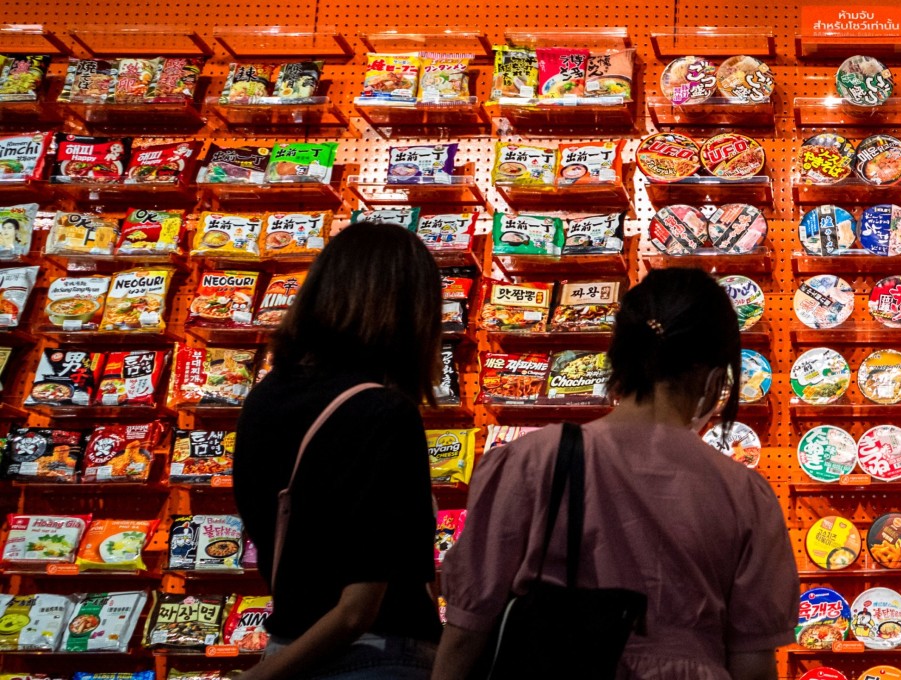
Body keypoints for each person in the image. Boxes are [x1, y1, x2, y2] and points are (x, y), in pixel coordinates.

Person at [433, 268, 799, 680]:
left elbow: (467, 628)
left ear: (620, 355)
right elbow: (753, 664)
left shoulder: (532, 461)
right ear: (715, 377)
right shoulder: (746, 496)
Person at [234, 221, 443, 679]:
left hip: (288, 643)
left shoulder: (266, 396)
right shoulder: (383, 413)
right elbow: (358, 609)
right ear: (410, 312)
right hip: (376, 658)